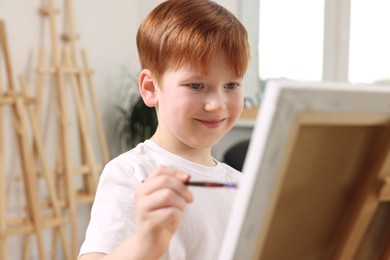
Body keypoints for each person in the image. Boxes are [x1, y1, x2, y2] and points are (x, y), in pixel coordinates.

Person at [78, 0, 250, 259]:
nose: (217, 105)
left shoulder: (241, 184)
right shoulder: (132, 173)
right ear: (150, 88)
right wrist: (146, 243)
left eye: (231, 85)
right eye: (195, 85)